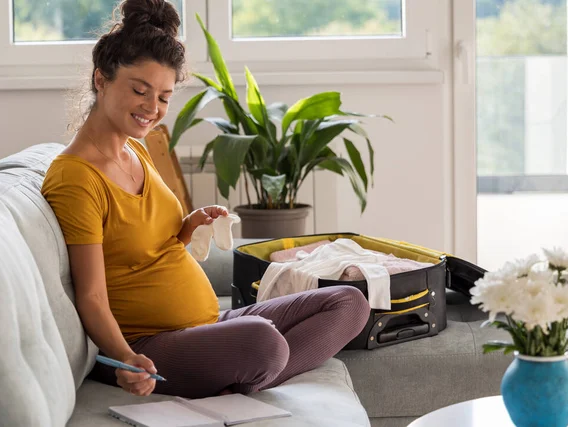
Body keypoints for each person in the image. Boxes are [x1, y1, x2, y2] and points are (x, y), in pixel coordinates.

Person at [41, 0, 371, 399]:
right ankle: (246, 368)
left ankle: (238, 376)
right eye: (139, 90)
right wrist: (125, 357)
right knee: (265, 343)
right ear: (101, 80)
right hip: (149, 343)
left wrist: (186, 228)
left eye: (163, 97)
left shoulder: (135, 149)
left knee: (349, 302)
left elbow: (143, 252)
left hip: (211, 323)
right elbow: (92, 296)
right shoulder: (76, 177)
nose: (152, 109)